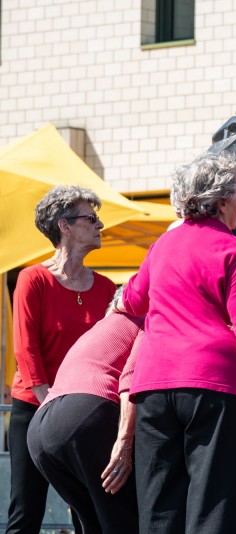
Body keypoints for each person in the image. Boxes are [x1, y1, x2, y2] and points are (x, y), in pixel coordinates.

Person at [116, 150, 236, 533]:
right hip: (218, 388)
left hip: (154, 386)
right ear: (218, 203)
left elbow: (132, 299)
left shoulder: (162, 246)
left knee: (159, 505)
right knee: (215, 505)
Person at [9, 185, 116, 534]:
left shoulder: (106, 288)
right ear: (65, 226)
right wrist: (50, 408)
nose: (100, 225)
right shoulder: (33, 279)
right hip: (35, 408)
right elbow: (26, 351)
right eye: (91, 218)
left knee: (92, 512)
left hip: (86, 413)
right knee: (27, 512)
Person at [27, 289, 142, 534]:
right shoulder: (145, 320)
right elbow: (130, 381)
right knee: (124, 520)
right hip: (86, 414)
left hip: (40, 429)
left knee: (92, 524)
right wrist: (125, 443)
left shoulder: (100, 328)